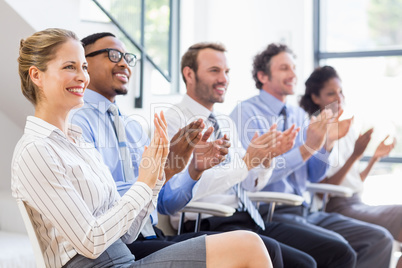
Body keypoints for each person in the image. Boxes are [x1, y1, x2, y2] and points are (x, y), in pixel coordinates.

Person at [12, 28, 272, 268]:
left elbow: (127, 233)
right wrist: (145, 184)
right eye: (70, 67)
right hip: (104, 263)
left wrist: (159, 175)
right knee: (248, 246)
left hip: (126, 253)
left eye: (82, 67)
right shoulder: (36, 150)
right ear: (36, 75)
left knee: (250, 244)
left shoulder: (77, 141)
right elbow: (90, 242)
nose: (82, 76)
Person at [164, 42, 360, 268]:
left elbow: (248, 184)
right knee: (304, 263)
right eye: (214, 71)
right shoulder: (174, 121)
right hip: (209, 220)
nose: (224, 79)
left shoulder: (225, 122)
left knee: (337, 252)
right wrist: (247, 162)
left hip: (246, 214)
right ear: (189, 74)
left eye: (227, 72)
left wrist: (265, 159)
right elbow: (178, 189)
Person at [230, 43, 395, 268]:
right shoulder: (245, 114)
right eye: (284, 68)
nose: (293, 74)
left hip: (305, 210)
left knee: (379, 239)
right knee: (339, 248)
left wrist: (325, 144)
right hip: (270, 213)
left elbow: (314, 176)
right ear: (263, 76)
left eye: (294, 68)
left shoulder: (300, 115)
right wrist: (306, 148)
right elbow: (253, 175)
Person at [69, 32, 232, 260]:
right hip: (117, 246)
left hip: (153, 237)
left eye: (128, 57)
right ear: (84, 64)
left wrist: (193, 169)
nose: (124, 63)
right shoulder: (75, 122)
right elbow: (101, 203)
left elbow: (165, 204)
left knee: (263, 247)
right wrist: (159, 172)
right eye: (114, 55)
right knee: (241, 250)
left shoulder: (134, 129)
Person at [299, 65, 402, 241]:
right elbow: (324, 192)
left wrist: (374, 158)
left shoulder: (347, 130)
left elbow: (355, 181)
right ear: (316, 98)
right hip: (336, 207)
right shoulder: (313, 132)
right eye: (331, 94)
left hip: (357, 202)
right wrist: (355, 155)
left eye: (340, 92)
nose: (339, 98)